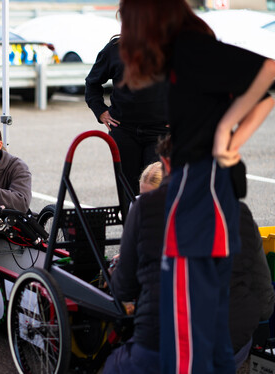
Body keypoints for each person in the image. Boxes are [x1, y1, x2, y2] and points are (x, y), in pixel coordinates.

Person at [120, 1, 275, 373]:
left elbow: (267, 73)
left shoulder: (190, 49)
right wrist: (229, 139)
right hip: (204, 193)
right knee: (209, 332)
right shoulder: (185, 53)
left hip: (198, 195)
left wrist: (227, 137)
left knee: (188, 335)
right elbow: (263, 90)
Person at [104, 136, 275, 373]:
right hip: (231, 343)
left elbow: (124, 289)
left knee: (113, 364)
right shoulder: (239, 211)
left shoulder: (147, 209)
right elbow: (264, 296)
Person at [85, 35, 169, 196]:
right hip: (124, 131)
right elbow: (92, 83)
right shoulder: (115, 49)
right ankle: (130, 220)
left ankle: (155, 221)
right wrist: (100, 110)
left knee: (156, 189)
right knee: (127, 192)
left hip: (160, 133)